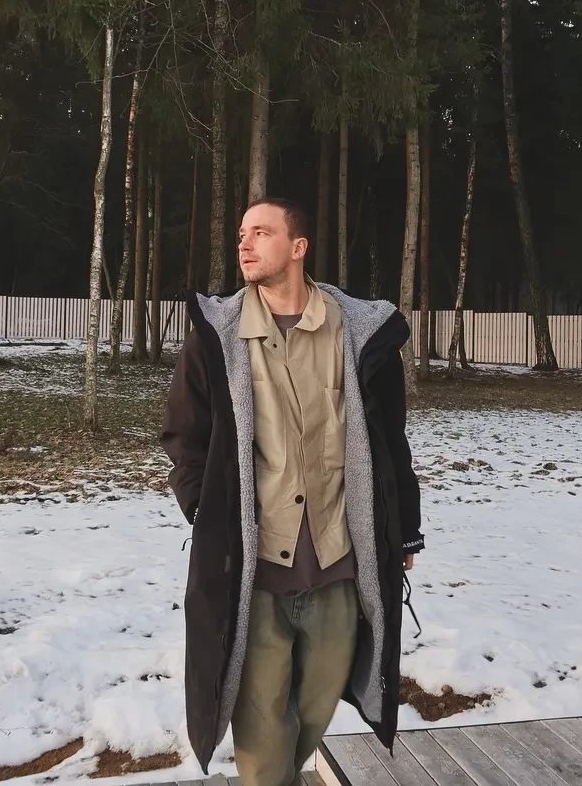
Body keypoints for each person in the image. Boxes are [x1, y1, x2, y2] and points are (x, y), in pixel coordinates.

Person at [160, 197, 425, 786]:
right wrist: (207, 512)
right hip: (256, 573)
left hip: (338, 564)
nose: (244, 243)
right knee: (260, 730)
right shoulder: (217, 336)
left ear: (298, 247)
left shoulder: (358, 333)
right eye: (241, 232)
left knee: (316, 707)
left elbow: (391, 441)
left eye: (261, 232)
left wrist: (404, 528)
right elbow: (184, 435)